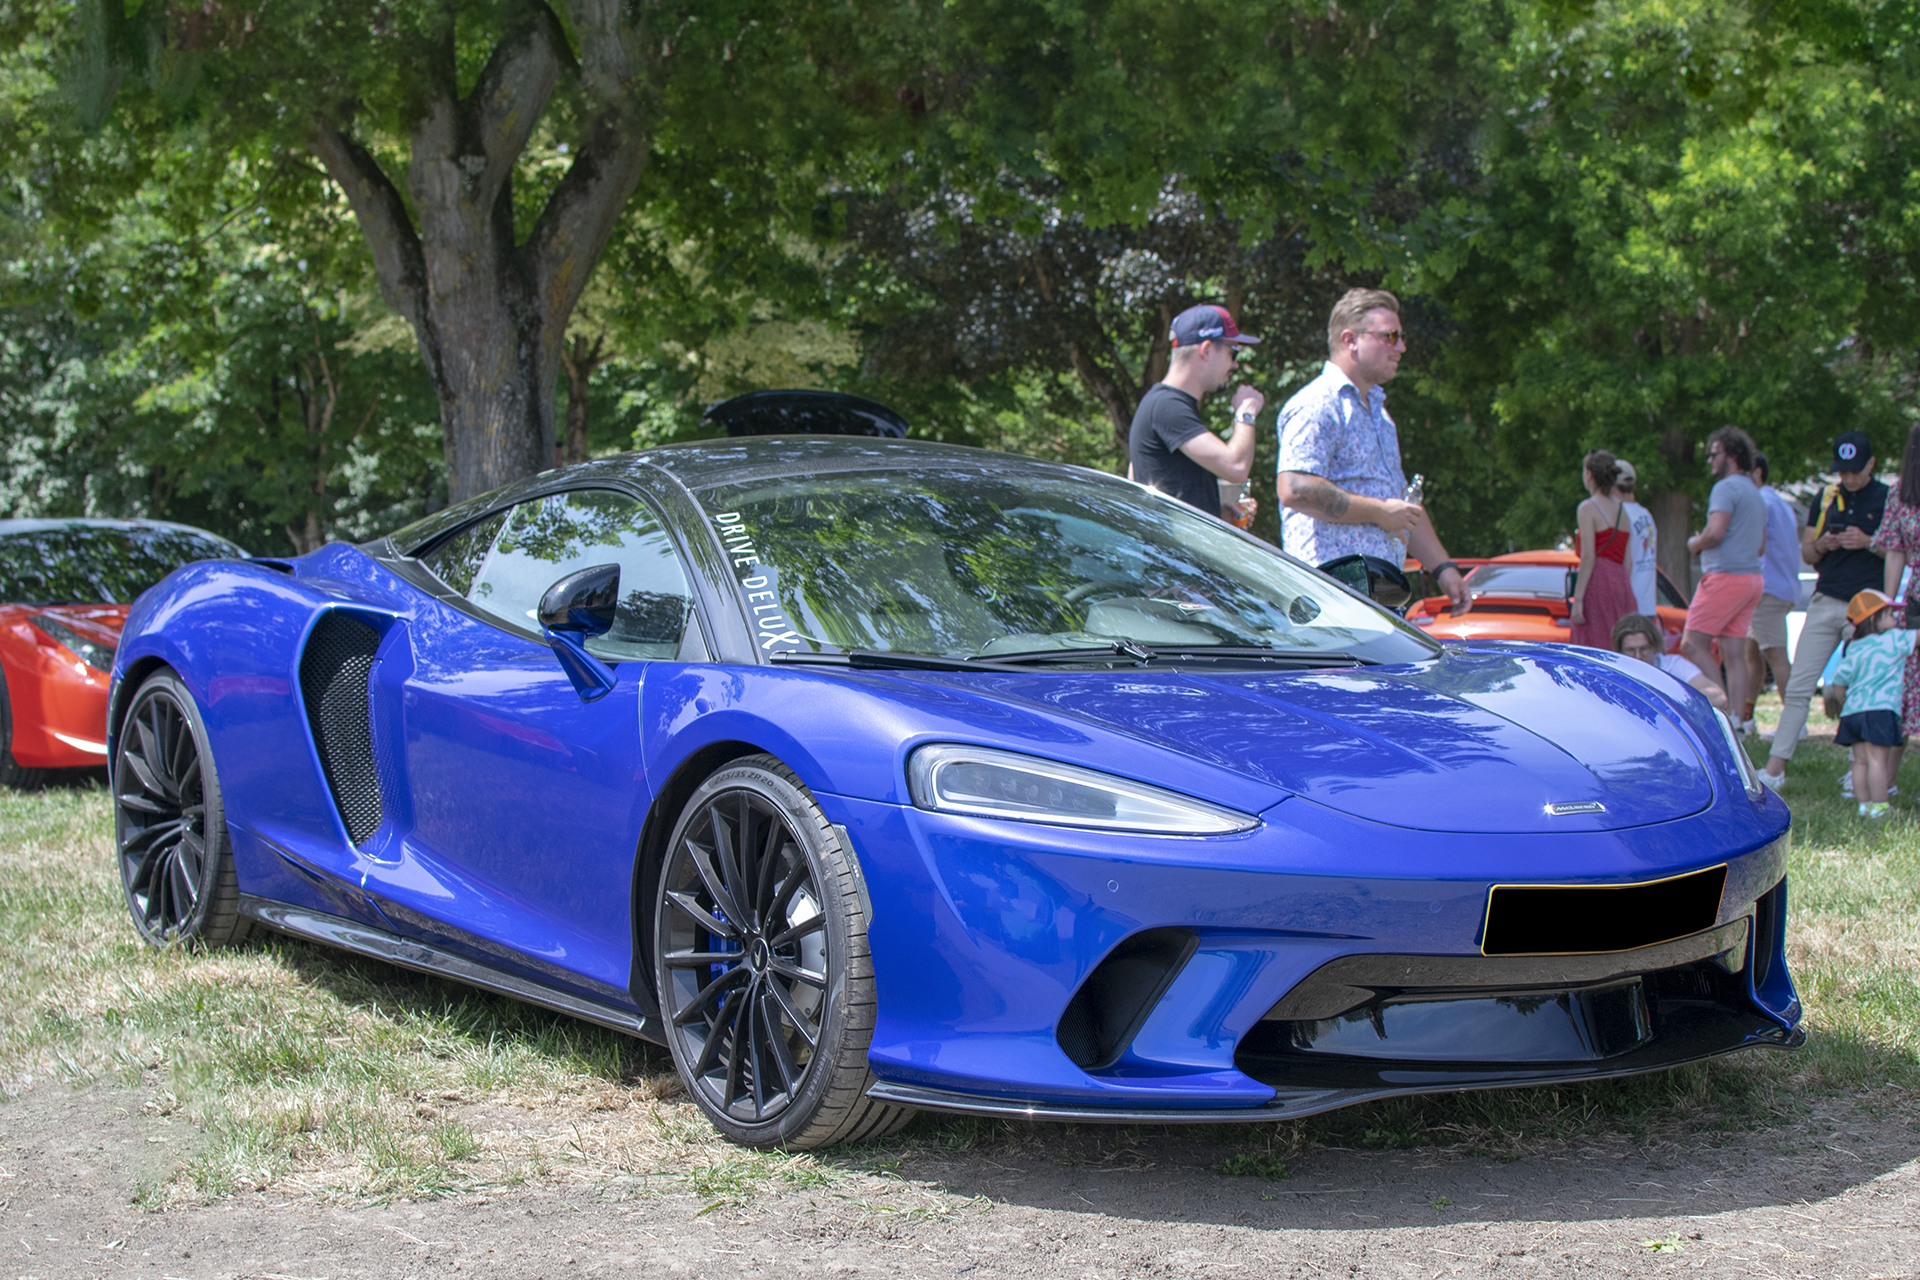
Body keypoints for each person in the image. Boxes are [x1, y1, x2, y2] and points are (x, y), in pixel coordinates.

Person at [1274, 288, 1469, 612]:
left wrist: (1444, 569)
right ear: (1350, 339)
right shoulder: (1318, 404)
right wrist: (1379, 512)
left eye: (1401, 337)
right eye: (1390, 337)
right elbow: (1295, 489)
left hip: (1377, 602)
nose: (1401, 348)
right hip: (1329, 600)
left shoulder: (1379, 412)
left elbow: (1401, 506)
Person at [1760, 430, 1887, 789]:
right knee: (1800, 684)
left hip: (1866, 606)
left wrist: (1868, 542)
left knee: (1862, 690)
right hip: (1825, 598)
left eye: (1854, 471)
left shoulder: (1886, 497)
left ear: (1872, 464)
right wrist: (1826, 543)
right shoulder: (1827, 496)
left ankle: (1857, 769)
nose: (1847, 478)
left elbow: (1897, 551)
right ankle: (1774, 770)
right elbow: (1808, 553)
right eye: (1842, 470)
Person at [1127, 305, 1263, 523]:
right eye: (1232, 353)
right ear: (1206, 350)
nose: (1235, 364)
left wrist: (1216, 515)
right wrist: (1247, 410)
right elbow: (1236, 467)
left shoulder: (1166, 405)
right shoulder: (1167, 406)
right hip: (1172, 556)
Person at [1682, 426, 1767, 738]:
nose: (1709, 461)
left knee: (1693, 643)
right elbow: (1761, 546)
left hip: (1725, 577)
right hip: (1752, 579)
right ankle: (1739, 722)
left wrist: (1695, 542)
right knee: (1734, 653)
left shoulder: (1726, 489)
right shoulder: (1755, 492)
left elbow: (1715, 532)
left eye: (1713, 454)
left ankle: (1720, 715)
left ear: (1730, 455)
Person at [1827, 589, 1914, 820]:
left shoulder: (1854, 646)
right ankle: (1880, 806)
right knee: (1878, 761)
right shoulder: (1894, 640)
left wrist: (1846, 702)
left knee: (1860, 761)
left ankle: (1863, 805)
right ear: (1875, 619)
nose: (1896, 620)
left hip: (1853, 712)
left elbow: (1839, 682)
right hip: (1880, 710)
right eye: (1891, 615)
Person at [1872, 423, 1920, 758]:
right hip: (1916, 599)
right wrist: (1887, 605)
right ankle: (1883, 776)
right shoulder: (1901, 491)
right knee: (1907, 689)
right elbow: (1894, 551)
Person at [1745, 451, 1801, 734]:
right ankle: (1745, 719)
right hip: (1782, 587)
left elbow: (1754, 545)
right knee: (1751, 655)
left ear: (1757, 474)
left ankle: (1795, 725)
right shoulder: (1781, 502)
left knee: (1777, 656)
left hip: (1767, 589)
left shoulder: (1760, 502)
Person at [1569, 450, 1638, 648]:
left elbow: (1589, 556)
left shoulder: (1587, 508)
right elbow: (1628, 560)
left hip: (1597, 581)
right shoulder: (1623, 510)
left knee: (1594, 641)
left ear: (1589, 474)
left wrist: (1579, 598)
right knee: (1619, 642)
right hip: (1621, 581)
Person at [1613, 613, 1729, 710]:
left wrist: (1675, 700)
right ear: (1620, 651)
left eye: (1644, 649)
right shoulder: (1613, 672)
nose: (1638, 656)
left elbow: (1719, 696)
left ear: (1654, 647)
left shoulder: (1673, 665)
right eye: (1631, 650)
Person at [1615, 459, 1659, 615]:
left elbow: (1625, 562)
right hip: (1647, 604)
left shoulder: (1619, 516)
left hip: (1628, 606)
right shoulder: (1645, 515)